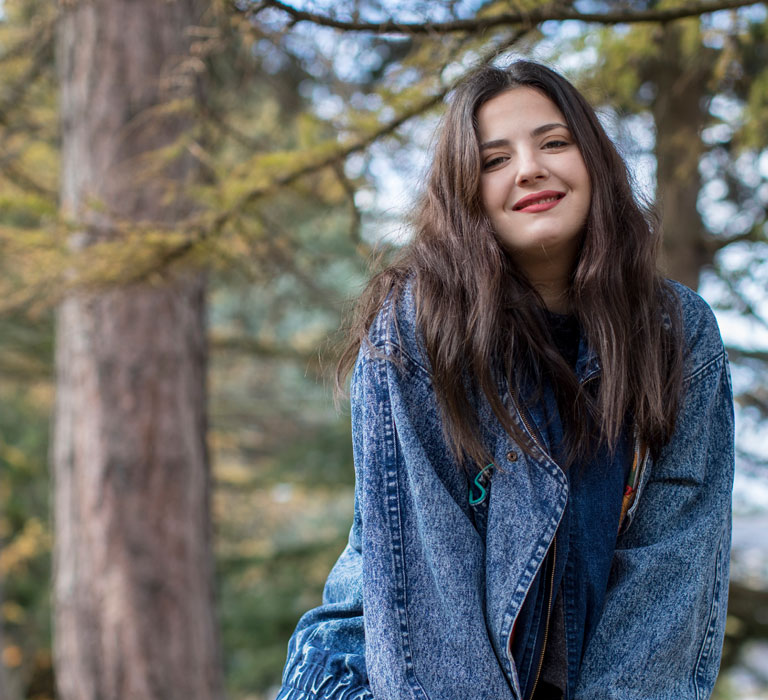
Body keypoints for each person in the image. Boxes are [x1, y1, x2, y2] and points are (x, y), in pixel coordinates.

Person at [276, 60, 734, 700]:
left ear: (594, 162)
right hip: (385, 674)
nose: (529, 169)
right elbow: (428, 603)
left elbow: (670, 581)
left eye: (554, 142)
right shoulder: (417, 329)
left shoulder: (678, 334)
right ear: (464, 192)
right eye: (494, 160)